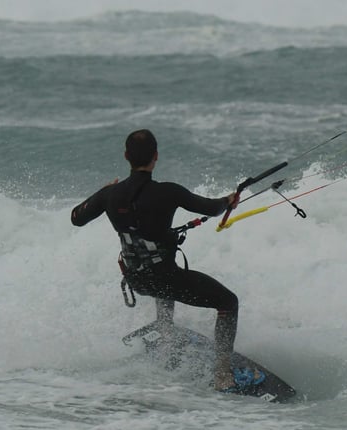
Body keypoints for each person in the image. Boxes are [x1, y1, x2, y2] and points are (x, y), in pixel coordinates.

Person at [70, 129, 258, 392]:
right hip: (167, 281)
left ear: (126, 156)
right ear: (156, 157)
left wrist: (102, 192)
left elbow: (76, 217)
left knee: (156, 266)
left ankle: (165, 329)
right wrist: (229, 199)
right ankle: (222, 373)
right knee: (228, 302)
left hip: (136, 281)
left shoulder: (109, 195)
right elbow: (212, 208)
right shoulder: (169, 192)